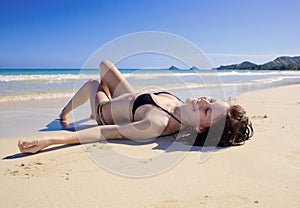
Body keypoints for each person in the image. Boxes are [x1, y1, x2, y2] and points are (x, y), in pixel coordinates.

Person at [18, 60, 253, 154]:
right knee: (104, 65)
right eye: (210, 101)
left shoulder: (156, 123)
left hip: (106, 112)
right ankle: (94, 101)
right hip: (132, 99)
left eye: (207, 110)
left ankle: (65, 112)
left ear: (202, 128)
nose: (204, 101)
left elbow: (103, 133)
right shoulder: (182, 107)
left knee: (93, 84)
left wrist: (50, 140)